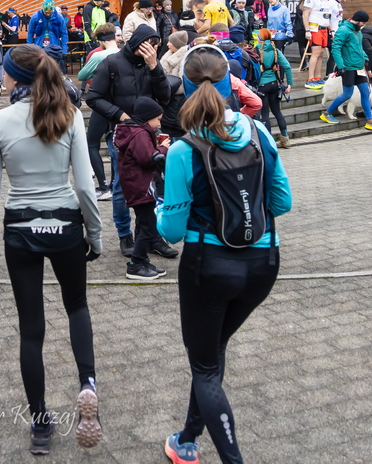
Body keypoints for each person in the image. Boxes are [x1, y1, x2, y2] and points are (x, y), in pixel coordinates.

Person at [157, 45, 292, 464]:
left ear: (185, 87)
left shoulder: (183, 149)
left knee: (204, 367)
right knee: (213, 352)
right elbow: (282, 202)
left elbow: (171, 231)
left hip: (208, 268)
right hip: (263, 264)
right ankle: (187, 439)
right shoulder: (258, 132)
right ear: (229, 85)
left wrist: (161, 207)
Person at [0, 44, 103, 454]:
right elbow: (85, 186)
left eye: (5, 70)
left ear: (15, 76)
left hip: (21, 230)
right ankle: (87, 384)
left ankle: (40, 424)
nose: (2, 75)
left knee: (31, 329)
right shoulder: (71, 115)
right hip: (65, 225)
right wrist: (96, 235)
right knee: (77, 307)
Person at [85, 24, 171, 259]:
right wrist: (120, 116)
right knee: (121, 187)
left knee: (152, 185)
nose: (153, 50)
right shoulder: (112, 63)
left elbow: (165, 95)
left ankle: (150, 236)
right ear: (139, 44)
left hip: (148, 134)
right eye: (151, 45)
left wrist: (154, 67)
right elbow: (93, 97)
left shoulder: (151, 64)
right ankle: (125, 236)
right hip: (121, 134)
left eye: (156, 47)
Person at [115, 97, 172, 281]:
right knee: (148, 225)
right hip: (141, 187)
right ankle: (136, 264)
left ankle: (143, 260)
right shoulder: (140, 133)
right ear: (148, 118)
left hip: (137, 185)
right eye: (158, 119)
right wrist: (162, 149)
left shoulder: (135, 131)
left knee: (143, 223)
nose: (159, 124)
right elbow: (147, 158)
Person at [319, 11, 372, 132]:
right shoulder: (343, 30)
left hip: (359, 67)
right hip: (348, 68)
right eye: (363, 23)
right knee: (347, 94)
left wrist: (365, 58)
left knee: (365, 92)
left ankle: (370, 121)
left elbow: (359, 48)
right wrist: (341, 66)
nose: (363, 25)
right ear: (357, 20)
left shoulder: (358, 31)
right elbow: (336, 48)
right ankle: (327, 113)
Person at [79, 24, 121, 197]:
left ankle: (103, 187)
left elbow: (82, 75)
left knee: (92, 144)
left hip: (102, 104)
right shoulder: (124, 54)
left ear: (101, 41)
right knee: (115, 145)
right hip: (120, 106)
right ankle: (115, 184)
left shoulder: (98, 55)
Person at [253, 29, 293, 147]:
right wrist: (289, 84)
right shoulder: (275, 50)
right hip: (274, 84)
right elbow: (287, 66)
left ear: (260, 38)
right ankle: (285, 139)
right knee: (277, 112)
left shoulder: (256, 50)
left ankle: (269, 143)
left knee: (265, 114)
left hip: (261, 86)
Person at [301, 0, 333, 88]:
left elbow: (327, 17)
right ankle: (310, 79)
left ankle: (317, 77)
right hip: (315, 29)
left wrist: (332, 30)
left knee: (321, 54)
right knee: (315, 53)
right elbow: (305, 15)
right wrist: (307, 30)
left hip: (324, 29)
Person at [28, 0, 69, 72]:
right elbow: (30, 33)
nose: (48, 14)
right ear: (42, 8)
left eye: (50, 12)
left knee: (54, 68)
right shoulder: (35, 16)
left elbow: (64, 34)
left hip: (54, 46)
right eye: (46, 12)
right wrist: (29, 47)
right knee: (39, 68)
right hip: (39, 46)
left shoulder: (59, 17)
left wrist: (64, 50)